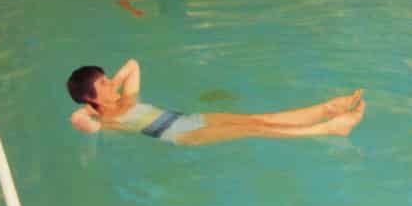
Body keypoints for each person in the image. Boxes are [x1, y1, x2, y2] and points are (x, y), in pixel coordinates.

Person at [67, 59, 365, 146]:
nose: (111, 84)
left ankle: (327, 110)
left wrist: (111, 85)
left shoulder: (124, 98)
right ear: (89, 98)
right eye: (103, 84)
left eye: (107, 79)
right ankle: (330, 128)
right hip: (183, 134)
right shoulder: (105, 121)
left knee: (258, 119)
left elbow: (133, 64)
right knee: (256, 130)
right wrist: (91, 107)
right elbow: (79, 122)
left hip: (191, 118)